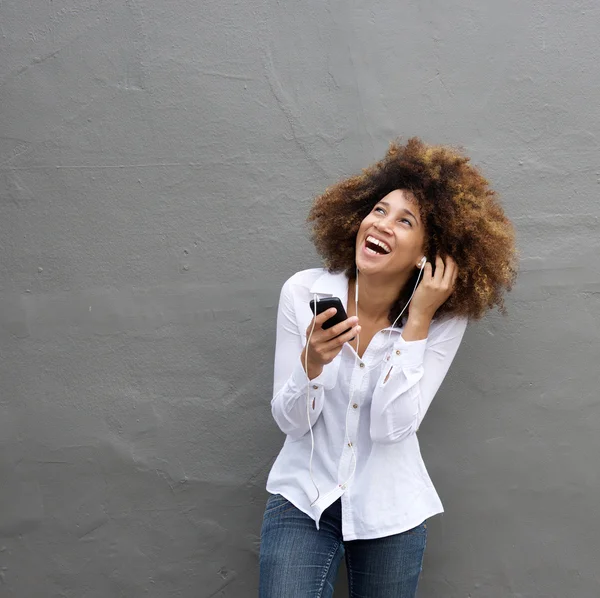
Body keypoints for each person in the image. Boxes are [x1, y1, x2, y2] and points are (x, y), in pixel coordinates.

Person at [259, 137, 517, 598]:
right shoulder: (303, 293)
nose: (381, 225)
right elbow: (289, 421)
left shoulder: (442, 320)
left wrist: (418, 321)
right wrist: (312, 363)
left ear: (427, 251)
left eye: (405, 220)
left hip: (390, 509)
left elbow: (391, 428)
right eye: (378, 210)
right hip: (303, 497)